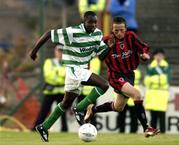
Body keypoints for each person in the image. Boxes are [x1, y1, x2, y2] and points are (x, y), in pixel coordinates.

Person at [30, 11, 109, 142]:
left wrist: (109, 47)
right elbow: (48, 34)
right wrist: (34, 51)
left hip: (78, 71)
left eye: (95, 22)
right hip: (74, 70)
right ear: (84, 22)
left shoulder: (97, 34)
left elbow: (102, 55)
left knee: (66, 103)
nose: (93, 25)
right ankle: (80, 108)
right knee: (104, 85)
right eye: (90, 22)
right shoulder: (73, 32)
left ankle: (44, 126)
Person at [84, 16, 160, 137]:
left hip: (129, 75)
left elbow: (143, 47)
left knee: (118, 107)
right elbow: (101, 57)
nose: (119, 33)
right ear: (112, 29)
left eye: (121, 30)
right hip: (116, 76)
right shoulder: (106, 40)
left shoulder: (131, 36)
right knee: (137, 94)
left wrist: (144, 54)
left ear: (126, 29)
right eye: (116, 30)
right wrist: (109, 47)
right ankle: (147, 128)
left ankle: (93, 109)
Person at [32, 45, 68, 132]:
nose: (60, 53)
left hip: (62, 91)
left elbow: (67, 75)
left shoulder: (67, 63)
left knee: (63, 112)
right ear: (55, 52)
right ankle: (35, 128)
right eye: (59, 51)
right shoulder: (49, 62)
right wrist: (61, 74)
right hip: (50, 91)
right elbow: (48, 75)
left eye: (62, 51)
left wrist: (56, 72)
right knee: (44, 111)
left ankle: (64, 130)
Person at [144, 48, 171, 133]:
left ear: (163, 56)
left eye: (160, 55)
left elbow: (166, 80)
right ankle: (153, 132)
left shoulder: (166, 66)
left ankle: (163, 133)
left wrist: (153, 79)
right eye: (157, 55)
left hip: (162, 93)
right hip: (152, 94)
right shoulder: (150, 67)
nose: (159, 57)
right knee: (153, 115)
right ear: (154, 56)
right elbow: (146, 81)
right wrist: (159, 78)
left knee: (162, 115)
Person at [117, 68, 141, 133]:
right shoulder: (136, 71)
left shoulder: (135, 71)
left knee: (133, 115)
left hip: (132, 96)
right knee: (122, 115)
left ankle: (133, 130)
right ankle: (121, 130)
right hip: (124, 95)